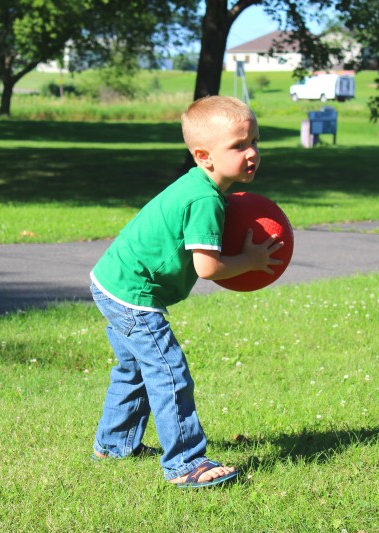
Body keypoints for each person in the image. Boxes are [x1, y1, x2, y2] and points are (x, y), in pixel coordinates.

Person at [89, 95, 284, 488]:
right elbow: (208, 268)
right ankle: (185, 463)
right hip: (133, 294)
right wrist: (250, 260)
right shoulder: (204, 199)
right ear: (203, 155)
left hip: (112, 281)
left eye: (255, 142)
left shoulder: (204, 188)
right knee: (169, 372)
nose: (252, 153)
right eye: (239, 146)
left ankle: (113, 444)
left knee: (135, 371)